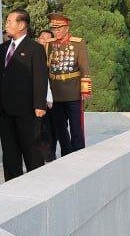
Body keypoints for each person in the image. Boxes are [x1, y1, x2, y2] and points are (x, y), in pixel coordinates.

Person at [0, 10, 49, 180]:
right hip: (5, 109)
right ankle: (12, 185)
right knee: (10, 152)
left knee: (31, 150)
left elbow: (40, 78)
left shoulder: (35, 48)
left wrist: (39, 105)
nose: (6, 24)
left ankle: (37, 184)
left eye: (9, 21)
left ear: (21, 25)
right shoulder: (3, 47)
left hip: (27, 110)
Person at [46, 12, 91, 156]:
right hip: (55, 91)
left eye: (59, 28)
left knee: (76, 127)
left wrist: (85, 91)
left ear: (67, 27)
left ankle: (78, 152)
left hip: (73, 90)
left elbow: (84, 67)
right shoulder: (49, 45)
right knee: (59, 126)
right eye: (54, 28)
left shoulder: (77, 43)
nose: (56, 31)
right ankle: (66, 152)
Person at [36, 28, 58, 162]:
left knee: (50, 127)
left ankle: (50, 154)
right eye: (41, 37)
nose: (42, 40)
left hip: (52, 99)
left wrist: (49, 96)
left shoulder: (54, 57)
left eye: (46, 38)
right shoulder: (33, 53)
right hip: (38, 97)